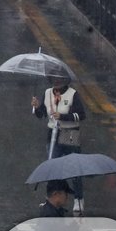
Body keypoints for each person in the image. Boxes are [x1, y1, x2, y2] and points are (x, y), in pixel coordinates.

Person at [32, 75, 86, 212]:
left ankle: (78, 199)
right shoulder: (47, 93)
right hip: (53, 134)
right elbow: (42, 114)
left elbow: (81, 115)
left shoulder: (72, 94)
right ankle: (50, 199)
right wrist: (37, 107)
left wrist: (63, 117)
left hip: (70, 133)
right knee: (52, 167)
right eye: (53, 79)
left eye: (59, 80)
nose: (56, 82)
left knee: (74, 167)